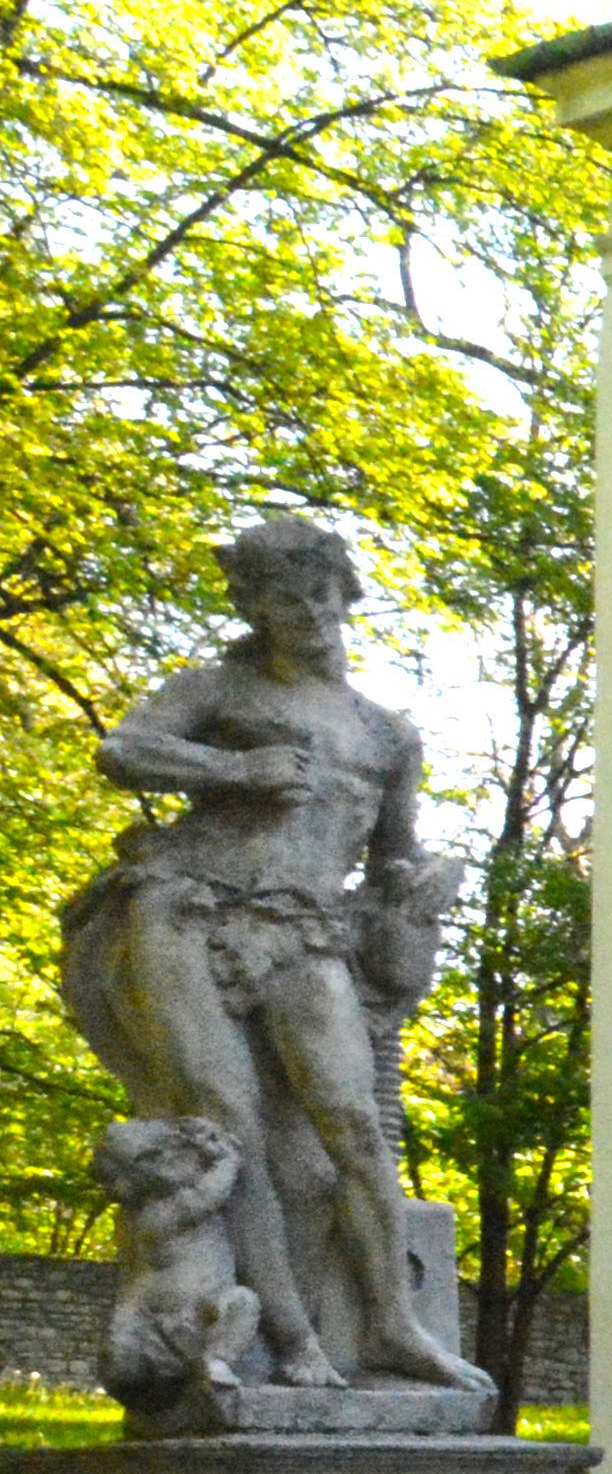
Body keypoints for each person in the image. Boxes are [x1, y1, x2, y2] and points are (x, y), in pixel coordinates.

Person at [64, 513, 490, 1404]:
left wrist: (427, 881)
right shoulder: (217, 688)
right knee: (230, 1122)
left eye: (322, 594)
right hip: (184, 908)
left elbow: (392, 856)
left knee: (353, 1126)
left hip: (303, 928)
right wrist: (234, 771)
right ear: (254, 607)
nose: (309, 613)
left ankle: (392, 1324)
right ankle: (289, 1339)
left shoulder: (386, 733)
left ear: (346, 596)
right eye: (286, 599)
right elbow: (123, 749)